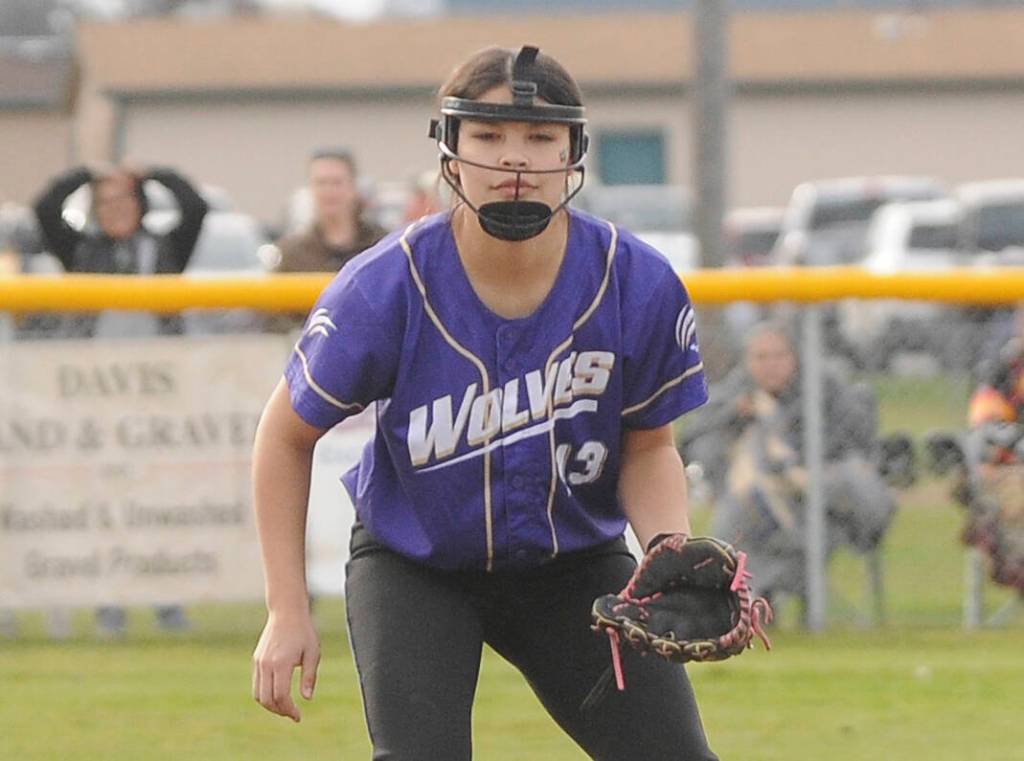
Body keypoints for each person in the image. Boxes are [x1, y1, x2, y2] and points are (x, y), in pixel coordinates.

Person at [251, 45, 719, 759]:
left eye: (539, 137)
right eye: (490, 135)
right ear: (450, 151)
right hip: (417, 564)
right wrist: (287, 608)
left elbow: (649, 446)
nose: (516, 160)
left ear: (573, 153)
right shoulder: (386, 285)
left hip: (572, 562)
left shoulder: (636, 281)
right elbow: (284, 436)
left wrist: (666, 548)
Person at [32, 162, 209, 637]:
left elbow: (195, 206)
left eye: (124, 200)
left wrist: (150, 173)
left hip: (158, 399)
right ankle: (109, 604)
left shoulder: (166, 248)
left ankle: (167, 602)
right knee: (106, 502)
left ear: (141, 205)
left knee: (163, 499)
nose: (115, 210)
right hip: (98, 401)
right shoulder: (81, 251)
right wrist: (88, 173)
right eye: (104, 202)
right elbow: (45, 209)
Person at [678, 320, 898, 609]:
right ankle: (746, 601)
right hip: (754, 508)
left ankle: (770, 596)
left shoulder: (825, 389)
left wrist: (789, 449)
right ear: (746, 361)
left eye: (779, 356)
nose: (770, 365)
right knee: (747, 491)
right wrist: (736, 415)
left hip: (820, 499)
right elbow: (691, 438)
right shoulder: (738, 392)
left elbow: (856, 443)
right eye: (760, 357)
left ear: (795, 357)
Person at [270, 148, 387, 273]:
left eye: (336, 182)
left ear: (353, 187)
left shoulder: (381, 247)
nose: (329, 191)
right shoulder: (292, 255)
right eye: (321, 183)